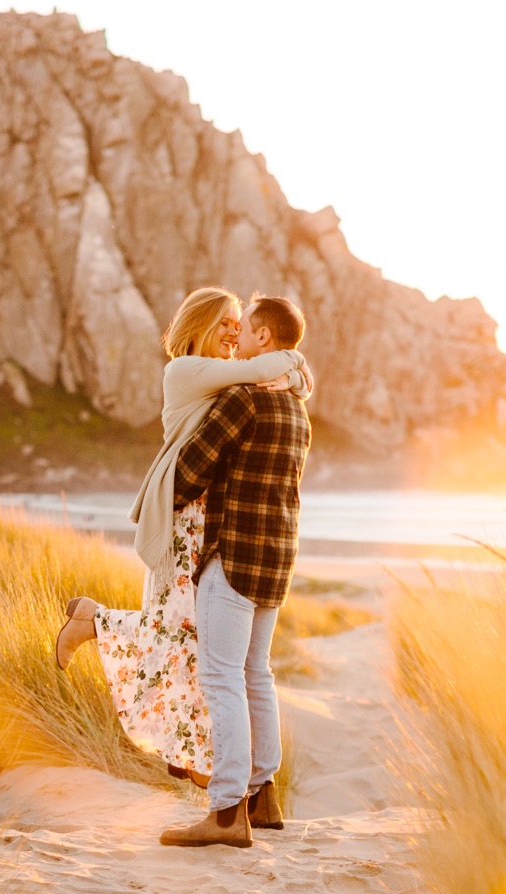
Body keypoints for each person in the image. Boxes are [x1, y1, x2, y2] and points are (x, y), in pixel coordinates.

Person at [53, 287, 310, 794]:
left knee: (190, 643)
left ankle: (195, 756)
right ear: (201, 325)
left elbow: (258, 383)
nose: (235, 332)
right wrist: (297, 364)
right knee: (176, 633)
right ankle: (95, 623)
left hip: (208, 523)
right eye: (226, 323)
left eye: (240, 323)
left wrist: (292, 372)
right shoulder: (187, 371)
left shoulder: (224, 378)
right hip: (182, 519)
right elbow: (260, 374)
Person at [155, 294, 311, 849]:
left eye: (243, 329)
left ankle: (225, 813)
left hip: (233, 558)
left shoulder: (242, 400)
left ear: (264, 338)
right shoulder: (297, 407)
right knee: (256, 674)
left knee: (221, 678)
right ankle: (262, 796)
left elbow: (192, 472)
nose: (237, 339)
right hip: (277, 562)